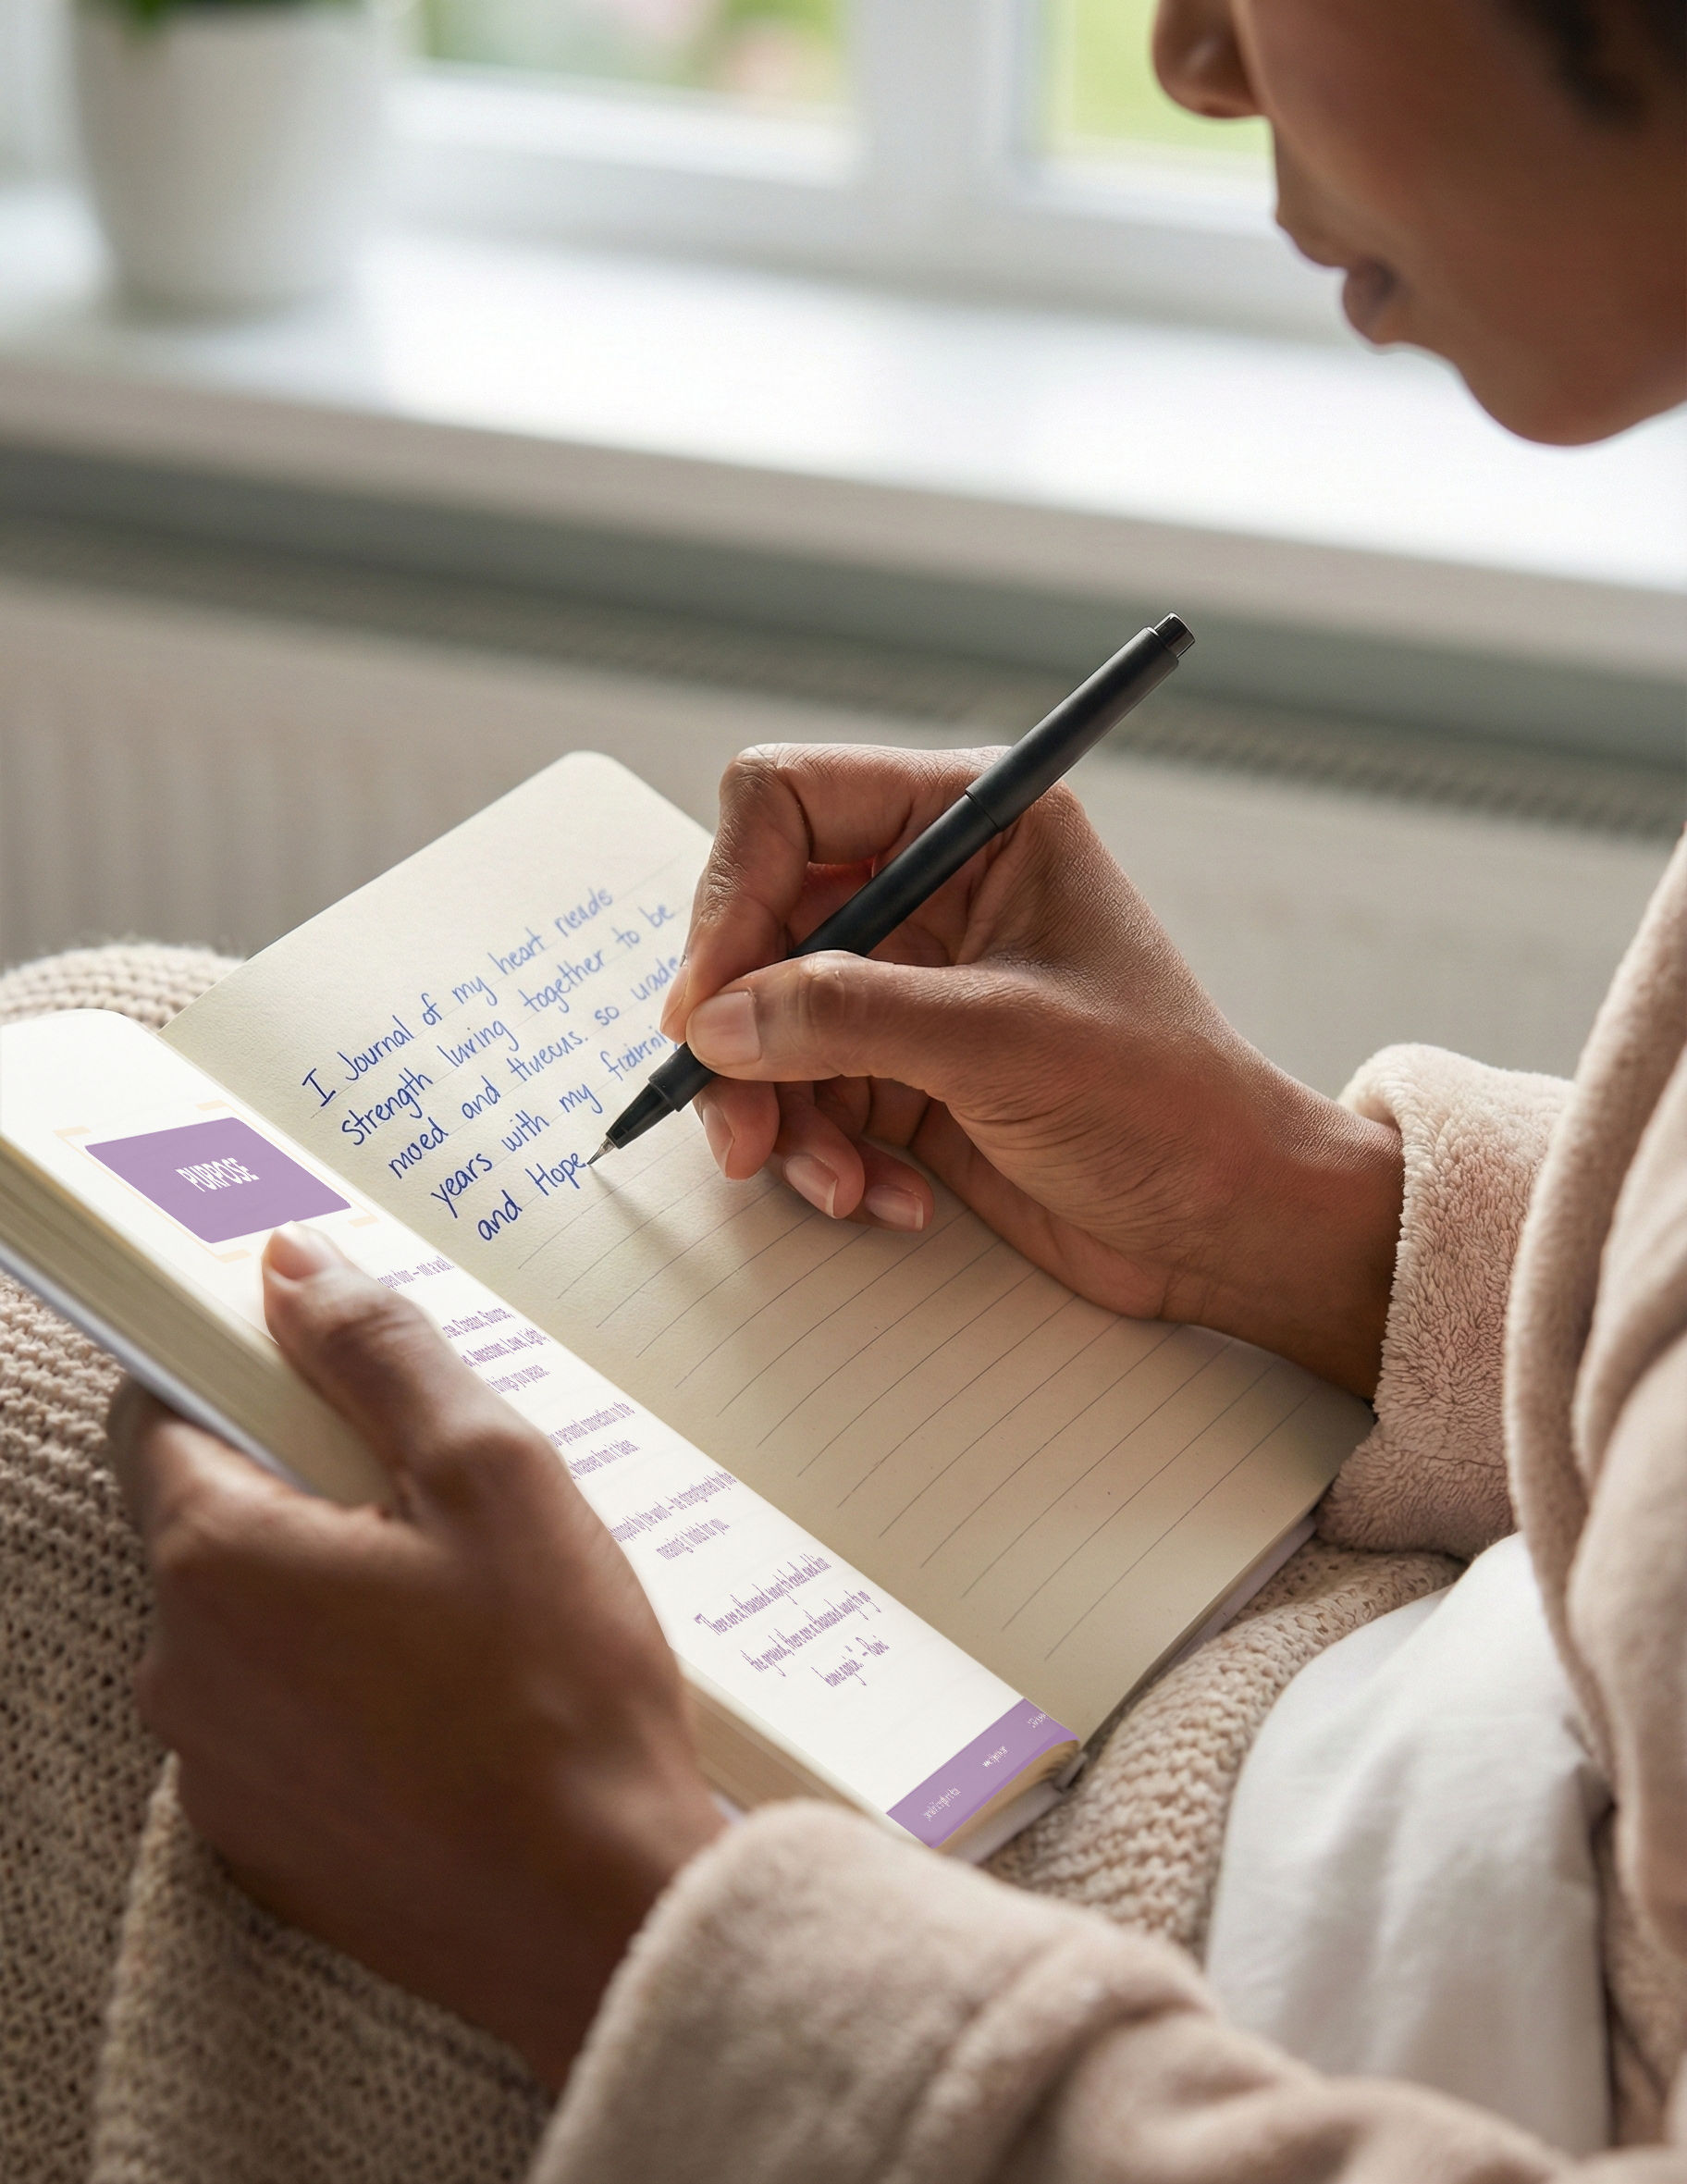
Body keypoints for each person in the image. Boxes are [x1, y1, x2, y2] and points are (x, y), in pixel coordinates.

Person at [2, 1, 1682, 2178]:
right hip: (1441, 1733)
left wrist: (609, 1911)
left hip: (1165, 2033)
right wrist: (1331, 1228)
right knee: (106, 1035)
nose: (1185, 54)